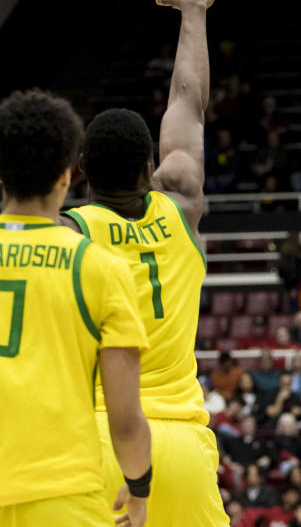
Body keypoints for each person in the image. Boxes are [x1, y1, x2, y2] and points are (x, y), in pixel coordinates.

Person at [62, 0, 228, 527]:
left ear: (79, 168)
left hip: (101, 443)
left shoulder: (68, 236)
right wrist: (193, 13)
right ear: (151, 165)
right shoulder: (181, 201)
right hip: (182, 444)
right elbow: (189, 100)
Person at [0, 90, 152, 526]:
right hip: (61, 492)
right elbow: (125, 421)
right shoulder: (100, 268)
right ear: (68, 176)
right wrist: (139, 489)